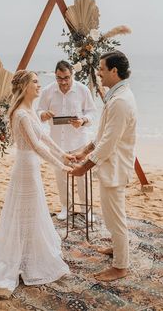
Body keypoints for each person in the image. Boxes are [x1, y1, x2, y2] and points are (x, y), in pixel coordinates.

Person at [0, 70, 74, 298]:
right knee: (28, 209)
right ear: (25, 87)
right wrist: (60, 165)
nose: (39, 85)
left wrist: (64, 154)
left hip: (31, 167)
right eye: (35, 82)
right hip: (26, 168)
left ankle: (27, 249)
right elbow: (36, 146)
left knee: (31, 210)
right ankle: (23, 255)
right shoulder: (22, 115)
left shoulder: (30, 111)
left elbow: (45, 138)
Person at [71, 51, 137, 282]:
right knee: (111, 215)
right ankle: (117, 250)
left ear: (114, 71)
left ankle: (120, 266)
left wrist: (83, 167)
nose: (98, 73)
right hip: (111, 165)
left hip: (115, 167)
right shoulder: (117, 96)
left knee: (115, 217)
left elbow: (109, 143)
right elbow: (104, 133)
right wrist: (85, 150)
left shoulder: (120, 101)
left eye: (101, 69)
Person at [37, 60, 97, 221]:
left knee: (82, 178)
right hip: (57, 144)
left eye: (66, 78)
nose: (63, 82)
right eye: (59, 78)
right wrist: (44, 115)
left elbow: (92, 113)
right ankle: (66, 207)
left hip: (79, 143)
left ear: (72, 74)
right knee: (60, 177)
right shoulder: (48, 91)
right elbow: (38, 111)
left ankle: (87, 209)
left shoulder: (83, 90)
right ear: (55, 75)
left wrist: (83, 120)